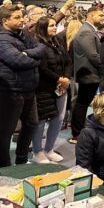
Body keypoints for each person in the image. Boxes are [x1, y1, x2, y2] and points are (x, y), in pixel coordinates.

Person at [0, 6, 46, 167]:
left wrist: (28, 53)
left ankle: (21, 158)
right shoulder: (1, 38)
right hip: (10, 91)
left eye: (21, 16)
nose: (22, 20)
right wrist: (36, 60)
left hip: (28, 89)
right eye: (17, 17)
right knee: (7, 130)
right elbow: (17, 61)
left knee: (31, 124)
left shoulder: (23, 33)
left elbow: (41, 48)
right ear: (5, 21)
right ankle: (4, 164)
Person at [32, 17, 72, 164]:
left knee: (58, 119)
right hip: (43, 89)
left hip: (61, 87)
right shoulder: (37, 44)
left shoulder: (58, 42)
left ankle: (49, 149)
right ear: (43, 28)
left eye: (55, 25)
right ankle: (37, 152)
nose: (54, 28)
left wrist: (65, 79)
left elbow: (68, 62)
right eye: (51, 26)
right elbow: (42, 68)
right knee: (41, 121)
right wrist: (59, 80)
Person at [70, 7, 104, 144]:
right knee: (82, 103)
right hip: (88, 73)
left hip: (90, 73)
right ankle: (77, 133)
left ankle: (78, 131)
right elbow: (93, 55)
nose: (103, 17)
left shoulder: (90, 30)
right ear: (91, 15)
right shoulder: (86, 31)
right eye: (100, 15)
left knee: (83, 103)